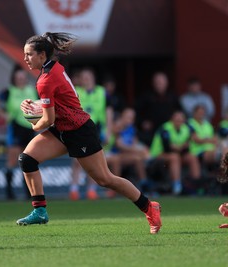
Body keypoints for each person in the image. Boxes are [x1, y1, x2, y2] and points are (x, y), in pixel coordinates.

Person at [17, 32, 161, 234]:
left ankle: (149, 207)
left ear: (42, 55)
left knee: (105, 179)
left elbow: (47, 120)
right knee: (27, 160)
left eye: (29, 54)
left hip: (79, 131)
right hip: (62, 129)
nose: (25, 58)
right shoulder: (52, 69)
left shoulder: (45, 79)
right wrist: (35, 106)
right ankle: (40, 211)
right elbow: (58, 104)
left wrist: (33, 123)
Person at [0, 65, 37, 200]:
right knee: (13, 160)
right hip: (15, 129)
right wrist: (3, 115)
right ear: (14, 79)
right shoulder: (9, 91)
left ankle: (28, 192)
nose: (21, 80)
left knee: (28, 160)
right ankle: (9, 191)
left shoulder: (32, 90)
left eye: (23, 78)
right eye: (18, 78)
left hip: (29, 129)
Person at [69, 68, 116, 200]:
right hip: (79, 131)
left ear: (93, 77)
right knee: (76, 161)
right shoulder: (76, 92)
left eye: (88, 76)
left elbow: (109, 113)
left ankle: (91, 189)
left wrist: (109, 130)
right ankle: (74, 189)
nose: (86, 79)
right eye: (83, 77)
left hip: (97, 130)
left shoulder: (102, 92)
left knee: (93, 162)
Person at [150, 110, 201, 195]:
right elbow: (167, 147)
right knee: (174, 157)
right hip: (158, 155)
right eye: (177, 120)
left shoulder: (186, 128)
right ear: (172, 120)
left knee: (192, 157)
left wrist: (183, 146)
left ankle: (197, 185)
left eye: (181, 120)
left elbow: (188, 144)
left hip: (178, 153)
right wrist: (181, 147)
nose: (179, 122)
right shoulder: (165, 128)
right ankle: (177, 186)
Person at [135, 71, 181, 147]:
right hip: (151, 131)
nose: (159, 84)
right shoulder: (146, 97)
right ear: (153, 83)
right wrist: (142, 122)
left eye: (161, 82)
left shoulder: (173, 97)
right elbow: (136, 113)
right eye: (157, 82)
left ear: (166, 83)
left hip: (169, 130)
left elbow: (180, 113)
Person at [111, 107, 152, 193]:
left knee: (140, 156)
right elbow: (119, 145)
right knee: (137, 158)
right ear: (122, 116)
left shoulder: (131, 129)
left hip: (127, 154)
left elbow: (135, 142)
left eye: (132, 118)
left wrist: (141, 149)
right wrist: (135, 150)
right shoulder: (117, 127)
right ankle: (115, 188)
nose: (130, 120)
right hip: (116, 154)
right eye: (128, 117)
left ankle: (143, 182)